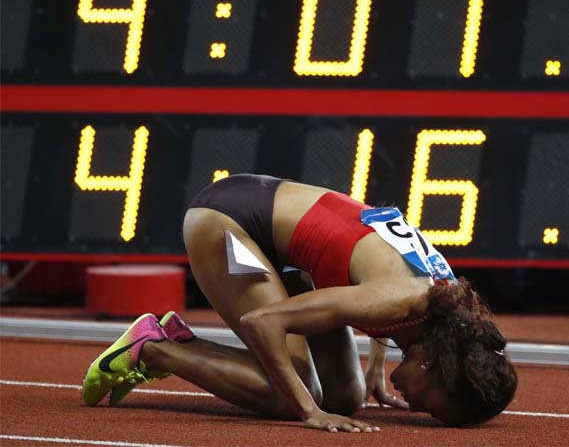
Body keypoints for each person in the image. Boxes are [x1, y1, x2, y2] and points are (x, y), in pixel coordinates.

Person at [82, 174, 517, 432]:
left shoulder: (439, 307)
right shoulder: (400, 302)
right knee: (294, 394)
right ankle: (154, 347)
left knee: (345, 398)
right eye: (430, 405)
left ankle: (177, 338)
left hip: (289, 252)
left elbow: (384, 293)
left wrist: (373, 372)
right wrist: (308, 413)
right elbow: (261, 321)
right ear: (437, 367)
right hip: (231, 222)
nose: (417, 408)